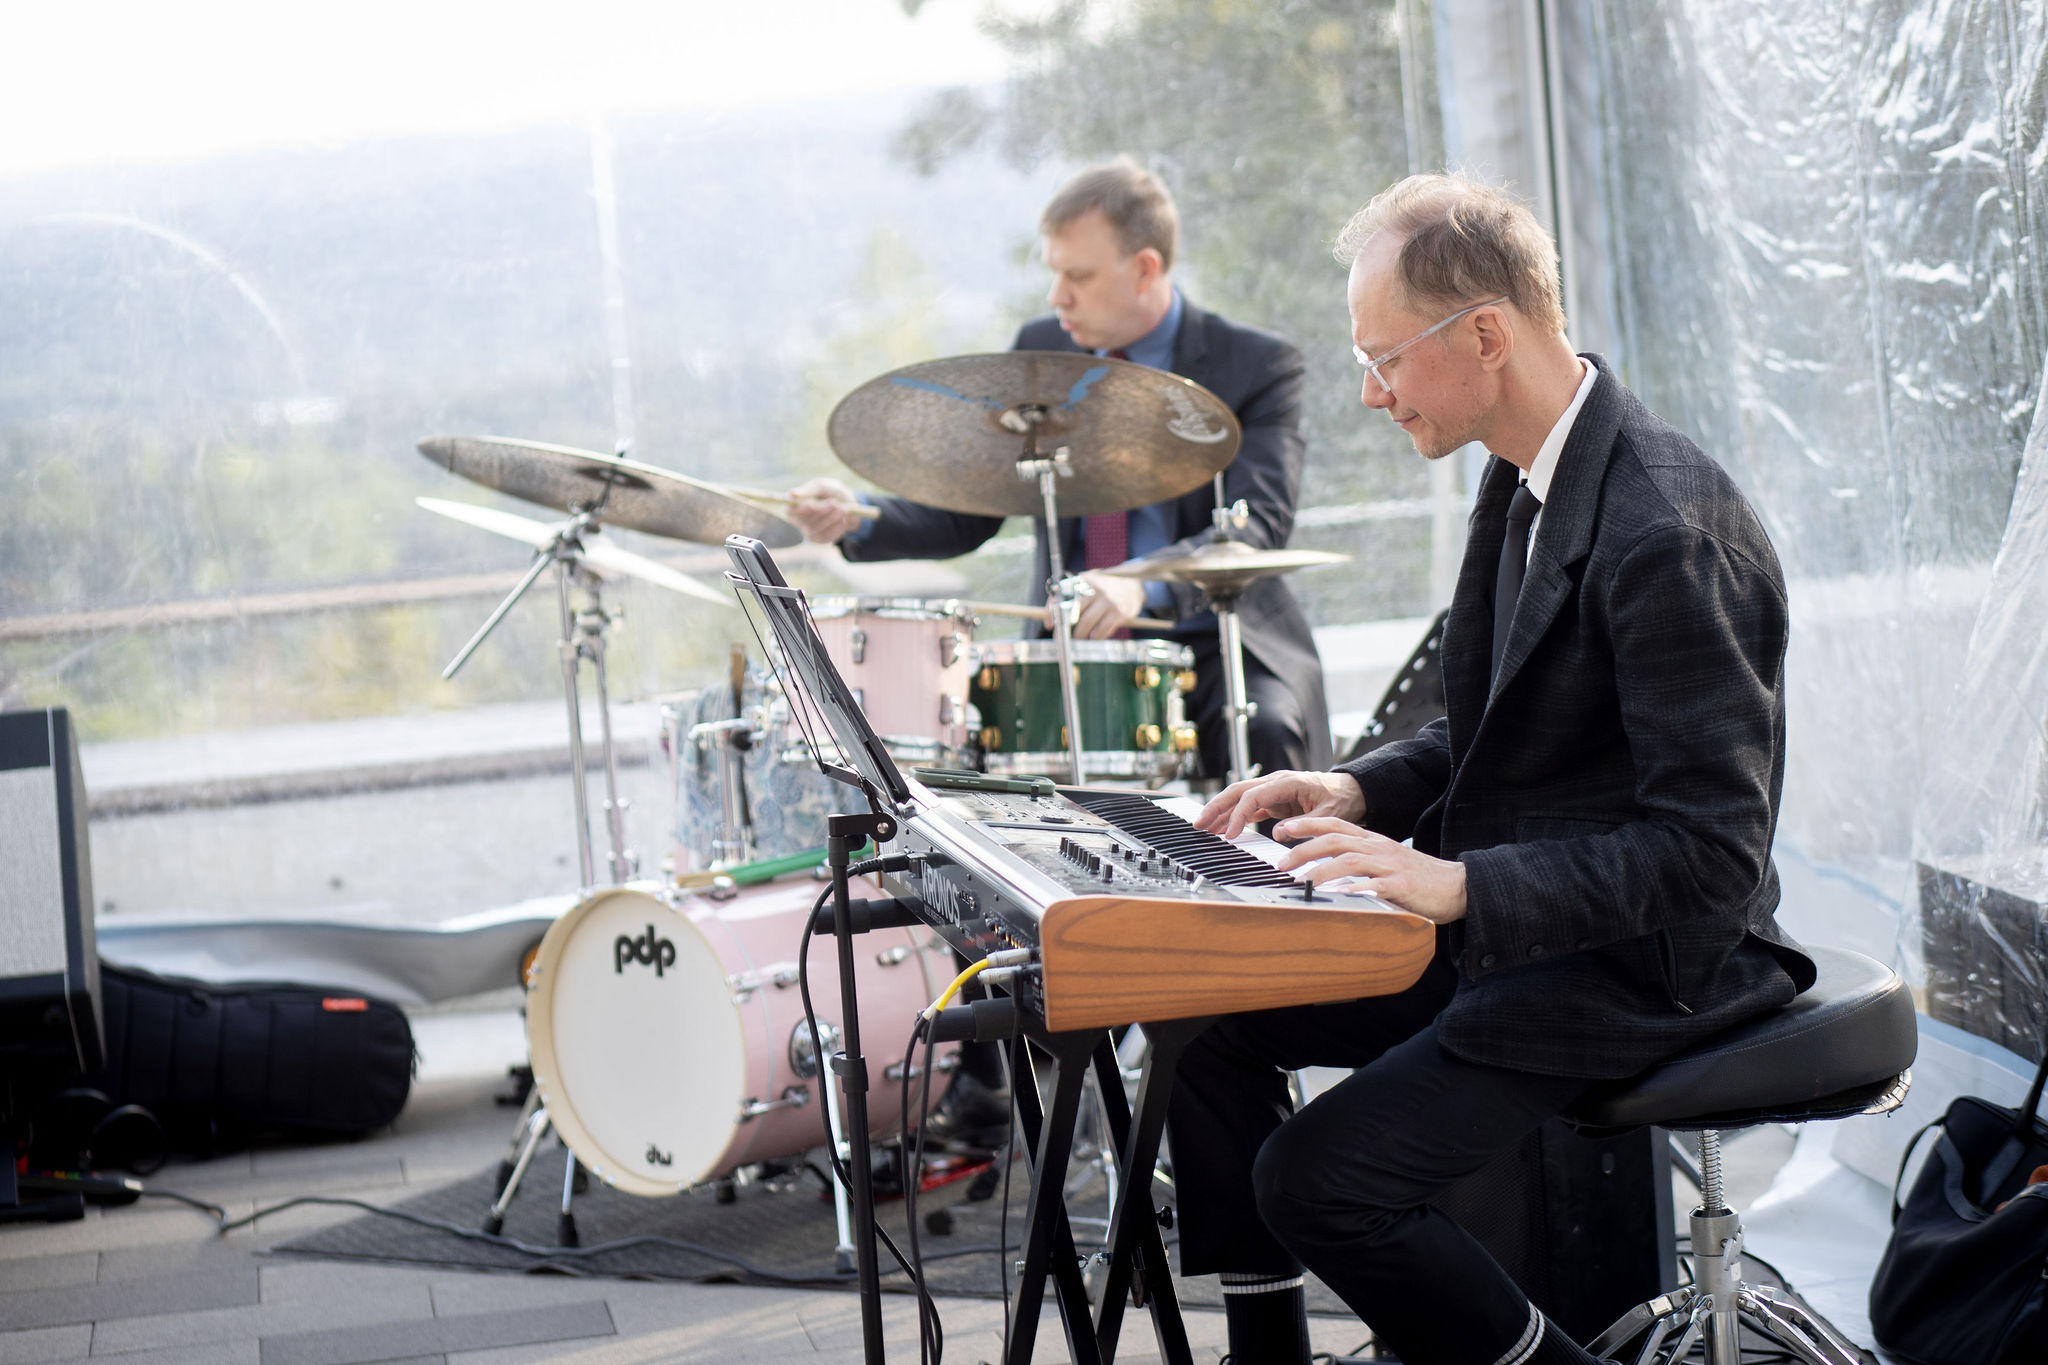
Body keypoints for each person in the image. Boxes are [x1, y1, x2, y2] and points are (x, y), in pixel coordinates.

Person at [1173, 174, 1817, 1365]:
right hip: (1524, 934)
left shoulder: (1666, 532)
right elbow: (1499, 730)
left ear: (1482, 336)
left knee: (1316, 1178)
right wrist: (1359, 789)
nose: (1369, 393)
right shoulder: (1522, 475)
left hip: (1646, 967)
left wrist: (1461, 887)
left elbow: (1710, 857)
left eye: (1384, 359)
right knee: (1204, 1021)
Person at [786, 157, 1332, 782]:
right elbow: (971, 511)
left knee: (1270, 733)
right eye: (1054, 273)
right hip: (1068, 647)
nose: (1057, 296)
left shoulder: (1257, 365)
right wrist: (856, 516)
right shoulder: (1040, 348)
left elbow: (1257, 525)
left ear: (1145, 268)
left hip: (1213, 639)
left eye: (1078, 275)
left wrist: (1139, 583)